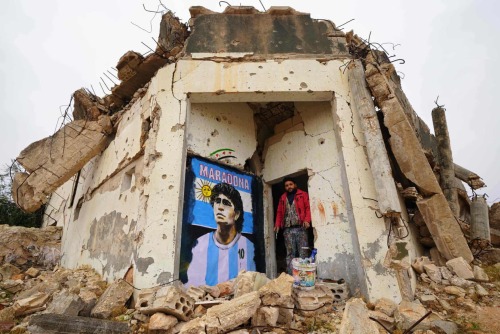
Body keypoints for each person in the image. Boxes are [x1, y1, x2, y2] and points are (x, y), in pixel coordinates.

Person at [187, 182, 255, 286]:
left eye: (226, 203)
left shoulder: (248, 246)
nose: (220, 207)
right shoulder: (200, 244)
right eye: (217, 202)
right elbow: (192, 285)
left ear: (236, 214)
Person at [274, 177, 312, 274]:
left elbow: (308, 208)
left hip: (301, 228)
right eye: (286, 185)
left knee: (303, 252)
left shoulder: (303, 194)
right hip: (288, 230)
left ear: (295, 185)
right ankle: (291, 276)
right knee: (290, 253)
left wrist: (307, 220)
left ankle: (304, 275)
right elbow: (279, 212)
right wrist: (277, 224)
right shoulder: (282, 198)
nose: (289, 187)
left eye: (290, 184)